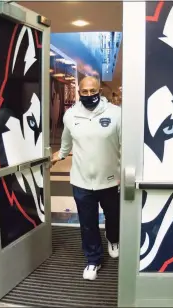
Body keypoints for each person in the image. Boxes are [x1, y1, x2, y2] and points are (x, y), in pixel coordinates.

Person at [51, 76, 121, 281]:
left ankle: (113, 239)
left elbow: (125, 144)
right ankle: (93, 259)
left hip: (110, 180)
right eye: (85, 92)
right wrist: (60, 155)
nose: (89, 95)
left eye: (93, 91)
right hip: (81, 181)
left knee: (113, 217)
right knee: (87, 223)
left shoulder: (116, 114)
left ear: (100, 91)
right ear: (79, 92)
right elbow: (66, 141)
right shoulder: (71, 115)